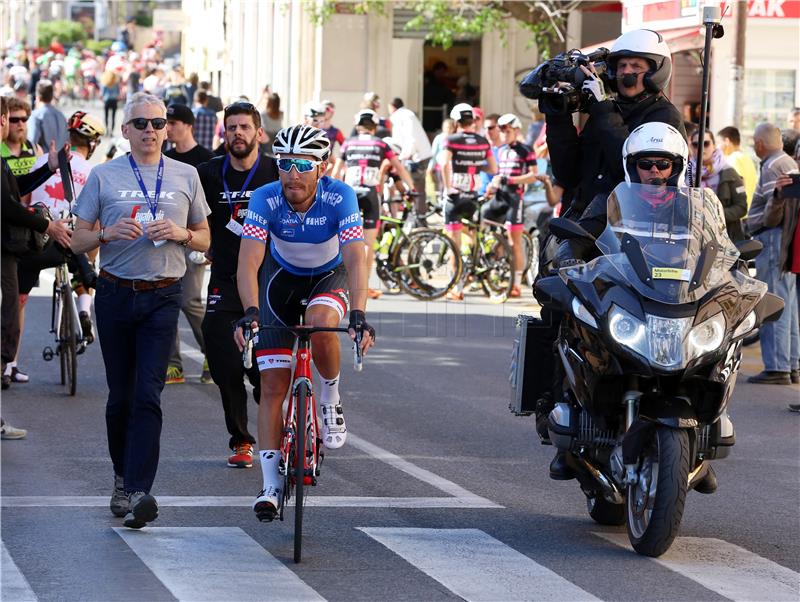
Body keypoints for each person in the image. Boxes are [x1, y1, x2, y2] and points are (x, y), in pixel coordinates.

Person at [70, 92, 211, 529]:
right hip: (115, 293)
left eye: (157, 122)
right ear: (126, 131)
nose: (150, 130)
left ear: (167, 129)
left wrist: (181, 233)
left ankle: (138, 490)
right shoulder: (103, 175)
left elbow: (206, 238)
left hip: (162, 296)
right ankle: (121, 477)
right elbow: (77, 241)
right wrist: (106, 233)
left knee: (149, 394)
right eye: (141, 124)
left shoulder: (186, 175)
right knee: (121, 398)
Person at [234, 123, 375, 521]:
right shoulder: (265, 197)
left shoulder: (339, 196)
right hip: (280, 280)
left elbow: (354, 257)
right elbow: (248, 262)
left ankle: (329, 395)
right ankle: (269, 485)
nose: (292, 173)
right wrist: (250, 311)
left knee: (319, 320)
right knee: (272, 384)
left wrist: (359, 313)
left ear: (322, 167)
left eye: (302, 164)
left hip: (329, 276)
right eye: (284, 164)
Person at [197, 101, 279, 468]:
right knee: (224, 363)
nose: (238, 134)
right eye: (231, 128)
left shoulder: (276, 172)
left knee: (264, 371)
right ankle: (241, 439)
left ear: (259, 133)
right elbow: (190, 212)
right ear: (224, 133)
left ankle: (276, 426)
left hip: (268, 282)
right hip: (225, 281)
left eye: (245, 127)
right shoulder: (208, 174)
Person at [545, 29, 686, 218]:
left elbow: (629, 168)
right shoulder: (606, 110)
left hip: (629, 226)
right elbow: (568, 174)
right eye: (621, 66)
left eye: (635, 66)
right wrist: (558, 117)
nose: (626, 71)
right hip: (581, 223)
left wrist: (603, 109)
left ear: (655, 72)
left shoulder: (665, 116)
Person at [19, 111, 105, 353]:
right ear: (92, 144)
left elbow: (25, 201)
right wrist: (92, 256)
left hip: (39, 238)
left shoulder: (43, 161)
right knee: (84, 262)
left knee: (19, 297)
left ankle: (9, 363)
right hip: (72, 238)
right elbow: (97, 218)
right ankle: (85, 309)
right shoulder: (91, 171)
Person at [1, 96, 71, 392]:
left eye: (22, 119)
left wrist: (49, 168)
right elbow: (7, 205)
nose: (17, 125)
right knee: (8, 321)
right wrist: (48, 226)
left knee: (10, 318)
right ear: (3, 121)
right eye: (11, 119)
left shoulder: (21, 152)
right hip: (5, 246)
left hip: (9, 247)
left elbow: (15, 193)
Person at [333, 109, 416, 299]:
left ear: (358, 124)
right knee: (368, 243)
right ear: (374, 126)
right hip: (371, 194)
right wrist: (411, 188)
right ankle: (363, 285)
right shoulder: (380, 144)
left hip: (350, 194)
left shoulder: (348, 143)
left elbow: (337, 170)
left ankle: (341, 283)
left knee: (343, 240)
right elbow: (399, 167)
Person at [744, 123, 799, 385]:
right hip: (784, 239)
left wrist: (761, 220)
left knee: (774, 302)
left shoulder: (772, 166)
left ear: (759, 143)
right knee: (788, 304)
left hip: (773, 237)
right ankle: (790, 363)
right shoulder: (787, 161)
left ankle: (777, 367)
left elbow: (773, 211)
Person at [164, 102, 215, 384]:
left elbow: (212, 209)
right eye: (165, 123)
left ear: (188, 125)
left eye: (172, 123)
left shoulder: (206, 159)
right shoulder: (164, 158)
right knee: (166, 300)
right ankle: (173, 364)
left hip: (195, 239)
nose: (167, 128)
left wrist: (210, 244)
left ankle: (212, 351)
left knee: (190, 300)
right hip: (166, 239)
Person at [441, 103, 497, 301]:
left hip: (455, 197)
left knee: (452, 244)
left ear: (457, 122)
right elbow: (492, 168)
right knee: (471, 236)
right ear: (473, 121)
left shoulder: (452, 139)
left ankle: (455, 286)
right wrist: (474, 165)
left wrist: (448, 187)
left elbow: (443, 164)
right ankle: (468, 272)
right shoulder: (483, 141)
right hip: (473, 196)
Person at [483, 113, 538, 297]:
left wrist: (510, 179)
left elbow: (533, 176)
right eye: (502, 131)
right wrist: (491, 186)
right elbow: (499, 174)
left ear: (516, 130)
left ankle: (515, 283)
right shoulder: (502, 151)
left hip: (515, 198)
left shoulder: (526, 150)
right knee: (483, 221)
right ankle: (492, 271)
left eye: (507, 130)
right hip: (499, 197)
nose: (504, 134)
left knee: (515, 243)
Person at [689, 129, 747, 241]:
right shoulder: (686, 172)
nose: (701, 148)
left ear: (714, 145)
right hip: (694, 237)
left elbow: (741, 207)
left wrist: (714, 215)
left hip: (724, 238)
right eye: (696, 145)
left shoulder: (728, 171)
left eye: (706, 143)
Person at [388, 97, 433, 220]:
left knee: (414, 188)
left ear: (392, 107)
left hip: (416, 157)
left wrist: (403, 156)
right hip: (420, 155)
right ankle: (419, 217)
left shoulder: (400, 116)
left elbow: (409, 137)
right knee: (418, 188)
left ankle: (417, 218)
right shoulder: (407, 114)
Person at [1, 97, 41, 179]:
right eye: (14, 120)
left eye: (24, 119)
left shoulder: (36, 149)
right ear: (5, 121)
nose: (20, 124)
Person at [717, 126, 757, 206]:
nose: (717, 147)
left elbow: (739, 185)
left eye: (719, 142)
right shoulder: (747, 158)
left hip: (738, 213)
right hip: (747, 210)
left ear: (727, 141)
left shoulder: (733, 159)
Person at [27, 79, 68, 150]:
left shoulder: (36, 115)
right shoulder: (61, 115)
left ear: (38, 97)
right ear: (52, 96)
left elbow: (32, 142)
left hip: (43, 159)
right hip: (61, 159)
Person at [426, 118, 455, 194]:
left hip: (452, 167)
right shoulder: (439, 138)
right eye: (446, 127)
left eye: (450, 127)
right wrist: (430, 167)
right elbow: (434, 154)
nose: (448, 130)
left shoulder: (455, 139)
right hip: (441, 166)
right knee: (442, 185)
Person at [100, 70, 121, 135]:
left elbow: (102, 93)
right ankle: (111, 131)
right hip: (114, 101)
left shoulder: (105, 83)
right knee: (113, 117)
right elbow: (118, 92)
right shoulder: (116, 83)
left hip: (107, 100)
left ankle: (107, 130)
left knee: (106, 116)